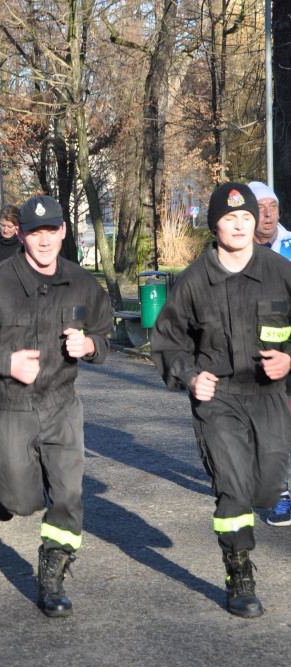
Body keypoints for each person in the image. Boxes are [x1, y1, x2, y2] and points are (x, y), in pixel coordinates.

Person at [0, 195, 113, 618]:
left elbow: (105, 329)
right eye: (34, 232)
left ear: (63, 231)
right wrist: (6, 362)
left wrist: (91, 345)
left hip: (61, 402)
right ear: (21, 235)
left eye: (50, 231)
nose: (43, 241)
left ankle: (53, 573)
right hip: (6, 407)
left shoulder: (82, 283)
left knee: (69, 492)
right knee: (21, 501)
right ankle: (4, 492)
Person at [150, 182, 291, 618]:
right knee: (233, 487)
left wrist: (289, 360)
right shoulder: (195, 279)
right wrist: (191, 378)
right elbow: (166, 342)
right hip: (218, 398)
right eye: (229, 218)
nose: (239, 225)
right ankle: (239, 571)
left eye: (246, 218)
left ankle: (255, 515)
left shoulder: (279, 270)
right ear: (215, 225)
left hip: (268, 395)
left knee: (267, 490)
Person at [248, 181, 291, 525]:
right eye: (259, 208)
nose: (267, 214)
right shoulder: (234, 250)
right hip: (251, 355)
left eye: (272, 206)